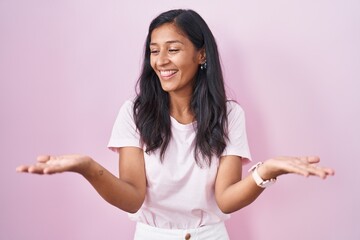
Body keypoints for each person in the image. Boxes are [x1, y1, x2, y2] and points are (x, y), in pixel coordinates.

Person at [16, 9, 334, 240]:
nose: (161, 61)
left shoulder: (229, 114)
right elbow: (132, 197)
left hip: (210, 235)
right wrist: (87, 167)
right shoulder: (134, 113)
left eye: (173, 49)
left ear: (201, 55)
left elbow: (225, 198)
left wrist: (267, 171)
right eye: (154, 51)